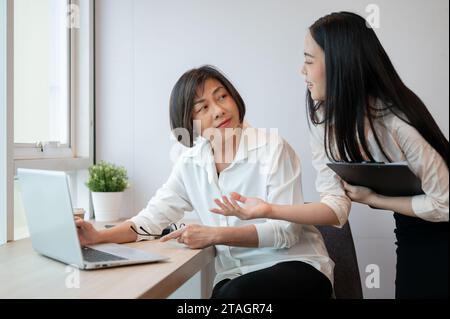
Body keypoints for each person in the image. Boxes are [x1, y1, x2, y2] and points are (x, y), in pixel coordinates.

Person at [211, 12, 449, 299]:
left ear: (339, 65)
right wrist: (267, 210)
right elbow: (335, 206)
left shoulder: (398, 121)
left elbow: (444, 205)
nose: (302, 71)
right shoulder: (323, 118)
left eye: (309, 61)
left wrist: (374, 199)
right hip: (411, 227)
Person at [75, 65, 333, 299]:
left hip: (296, 267)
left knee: (234, 296)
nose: (219, 110)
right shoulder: (190, 162)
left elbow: (285, 232)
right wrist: (98, 236)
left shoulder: (271, 147)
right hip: (235, 276)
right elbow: (151, 219)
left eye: (222, 97)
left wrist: (215, 235)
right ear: (189, 123)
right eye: (203, 107)